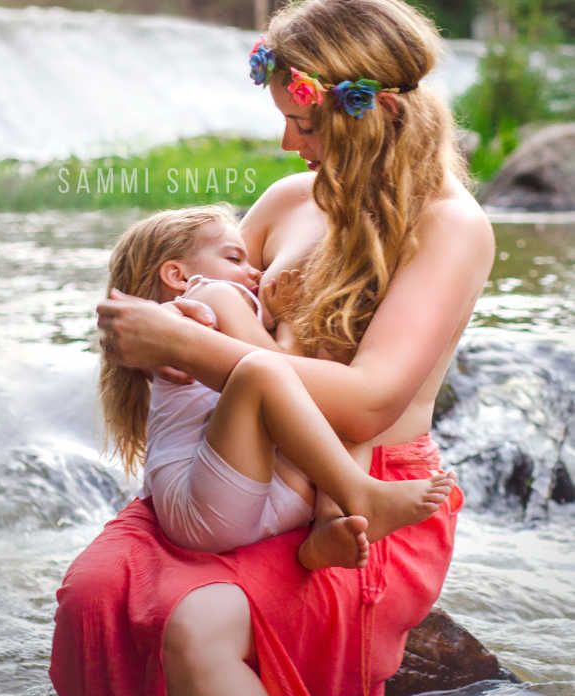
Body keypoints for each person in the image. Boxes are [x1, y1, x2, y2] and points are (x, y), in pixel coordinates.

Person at [50, 0, 508, 696]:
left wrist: (197, 352)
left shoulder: (449, 226)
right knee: (92, 590)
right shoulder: (289, 200)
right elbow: (204, 307)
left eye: (305, 122)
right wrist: (155, 336)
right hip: (237, 468)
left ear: (371, 113)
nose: (291, 143)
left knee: (196, 628)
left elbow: (372, 398)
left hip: (357, 494)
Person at [100, 205, 452, 568]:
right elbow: (274, 365)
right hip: (197, 499)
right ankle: (359, 494)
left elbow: (290, 382)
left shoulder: (222, 307)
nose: (254, 270)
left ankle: (330, 527)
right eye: (234, 257)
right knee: (260, 370)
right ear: (177, 273)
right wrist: (286, 320)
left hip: (245, 496)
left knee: (340, 402)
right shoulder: (209, 295)